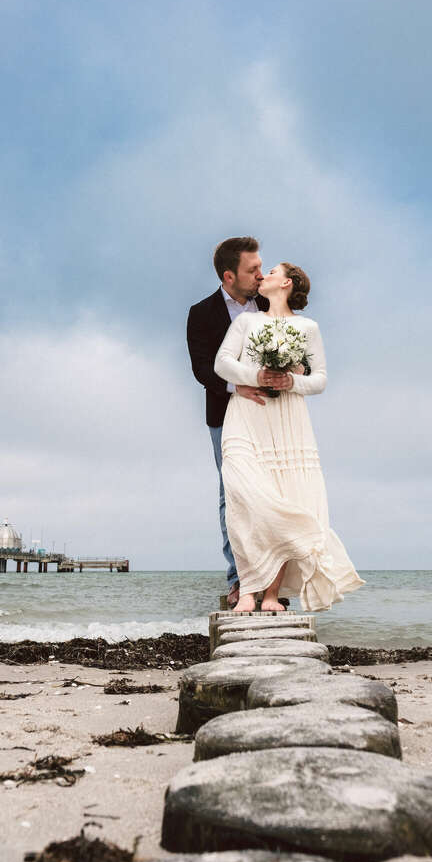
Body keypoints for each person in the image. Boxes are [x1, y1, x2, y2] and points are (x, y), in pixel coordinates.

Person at [214, 262, 365, 612]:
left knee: (285, 497)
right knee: (244, 497)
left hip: (288, 421)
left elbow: (321, 378)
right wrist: (258, 374)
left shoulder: (307, 327)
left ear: (286, 282)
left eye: (271, 271)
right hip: (246, 414)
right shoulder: (246, 321)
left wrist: (292, 381)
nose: (262, 275)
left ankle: (269, 595)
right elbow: (222, 363)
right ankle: (247, 589)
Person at [187, 237, 270, 608]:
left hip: (271, 414)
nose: (260, 275)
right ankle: (239, 580)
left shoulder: (269, 304)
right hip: (224, 415)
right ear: (228, 275)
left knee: (272, 494)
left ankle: (272, 583)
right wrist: (236, 387)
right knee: (232, 496)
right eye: (252, 270)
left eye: (261, 267)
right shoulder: (201, 313)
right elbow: (201, 369)